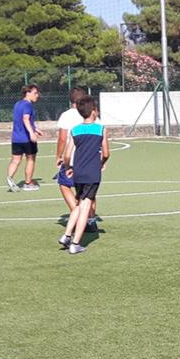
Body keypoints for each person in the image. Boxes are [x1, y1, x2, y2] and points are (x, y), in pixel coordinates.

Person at [59, 96, 110, 254]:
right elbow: (106, 153)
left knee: (78, 203)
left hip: (78, 172)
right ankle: (76, 243)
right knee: (86, 206)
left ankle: (66, 235)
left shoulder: (75, 130)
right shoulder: (101, 129)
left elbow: (67, 154)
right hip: (91, 172)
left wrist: (68, 167)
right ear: (94, 111)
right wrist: (101, 163)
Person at [55, 89, 97, 229]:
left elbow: (62, 138)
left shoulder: (66, 115)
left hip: (72, 159)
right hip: (90, 160)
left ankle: (77, 212)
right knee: (89, 190)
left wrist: (59, 156)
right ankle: (91, 219)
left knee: (64, 184)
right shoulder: (92, 115)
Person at [5, 85, 42, 192]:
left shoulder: (17, 104)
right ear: (27, 93)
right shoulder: (28, 105)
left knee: (15, 160)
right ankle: (28, 183)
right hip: (26, 139)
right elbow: (25, 119)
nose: (37, 95)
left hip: (16, 138)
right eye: (35, 93)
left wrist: (36, 129)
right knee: (31, 159)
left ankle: (10, 177)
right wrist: (31, 133)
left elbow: (23, 121)